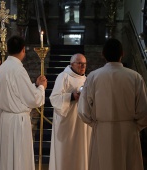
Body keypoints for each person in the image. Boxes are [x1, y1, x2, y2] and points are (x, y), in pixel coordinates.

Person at [78, 38, 147, 170]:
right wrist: (134, 127)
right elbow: (144, 110)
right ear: (122, 54)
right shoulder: (135, 77)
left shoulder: (93, 76)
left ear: (103, 54)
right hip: (128, 132)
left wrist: (97, 124)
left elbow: (83, 110)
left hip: (102, 131)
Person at [0, 35, 47, 170]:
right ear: (23, 50)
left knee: (7, 157)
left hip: (5, 118)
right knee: (19, 158)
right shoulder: (18, 69)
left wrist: (33, 85)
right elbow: (33, 99)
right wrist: (41, 87)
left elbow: (13, 90)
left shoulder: (3, 67)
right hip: (18, 122)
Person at [49, 53, 92, 170]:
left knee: (81, 151)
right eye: (79, 63)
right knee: (67, 154)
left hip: (82, 123)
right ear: (72, 64)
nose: (83, 66)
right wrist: (71, 97)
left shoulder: (87, 79)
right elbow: (54, 98)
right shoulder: (63, 77)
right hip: (68, 123)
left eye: (84, 64)